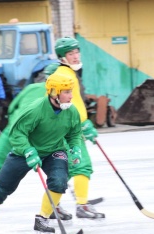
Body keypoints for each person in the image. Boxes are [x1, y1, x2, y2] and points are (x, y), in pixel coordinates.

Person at [0, 63, 101, 220]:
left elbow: (13, 107)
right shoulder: (45, 103)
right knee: (68, 172)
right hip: (24, 137)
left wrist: (75, 147)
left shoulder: (36, 90)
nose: (71, 95)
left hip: (19, 133)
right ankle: (66, 204)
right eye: (67, 91)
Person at [54, 36, 105, 219]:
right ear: (62, 57)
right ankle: (81, 206)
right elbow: (69, 103)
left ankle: (53, 206)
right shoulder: (65, 75)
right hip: (70, 130)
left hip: (67, 129)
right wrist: (82, 123)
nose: (75, 56)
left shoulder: (68, 73)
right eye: (70, 53)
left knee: (64, 170)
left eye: (76, 52)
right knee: (81, 166)